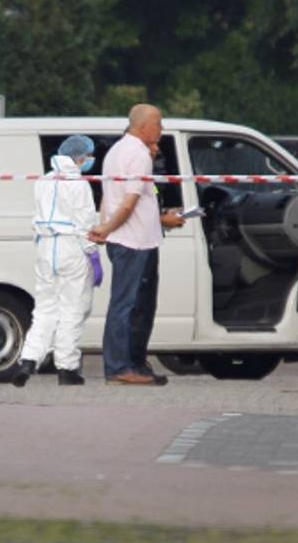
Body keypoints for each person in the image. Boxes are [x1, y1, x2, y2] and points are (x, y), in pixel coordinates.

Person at [89, 104, 185, 385]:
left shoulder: (117, 152)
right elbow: (129, 203)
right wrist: (107, 227)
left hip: (135, 238)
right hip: (134, 243)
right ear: (143, 127)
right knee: (129, 306)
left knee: (136, 305)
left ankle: (134, 363)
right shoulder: (138, 155)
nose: (161, 129)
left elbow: (128, 197)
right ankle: (120, 367)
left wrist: (160, 218)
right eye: (159, 124)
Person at [12, 135, 102, 387]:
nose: (90, 160)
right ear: (80, 158)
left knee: (44, 308)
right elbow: (85, 222)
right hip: (71, 246)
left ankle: (28, 360)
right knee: (73, 309)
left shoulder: (43, 181)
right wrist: (93, 254)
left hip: (45, 247)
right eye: (89, 156)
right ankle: (67, 368)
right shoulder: (78, 183)